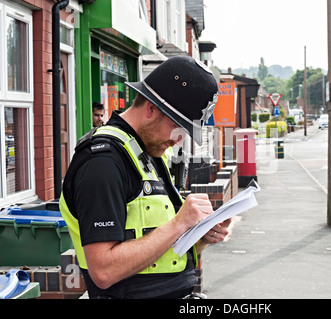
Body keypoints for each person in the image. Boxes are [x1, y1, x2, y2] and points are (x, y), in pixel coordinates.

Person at [60, 56, 229, 299]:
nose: (179, 139)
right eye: (179, 127)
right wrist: (179, 224)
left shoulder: (148, 153)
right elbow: (104, 271)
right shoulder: (102, 163)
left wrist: (198, 238)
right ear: (151, 109)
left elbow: (153, 246)